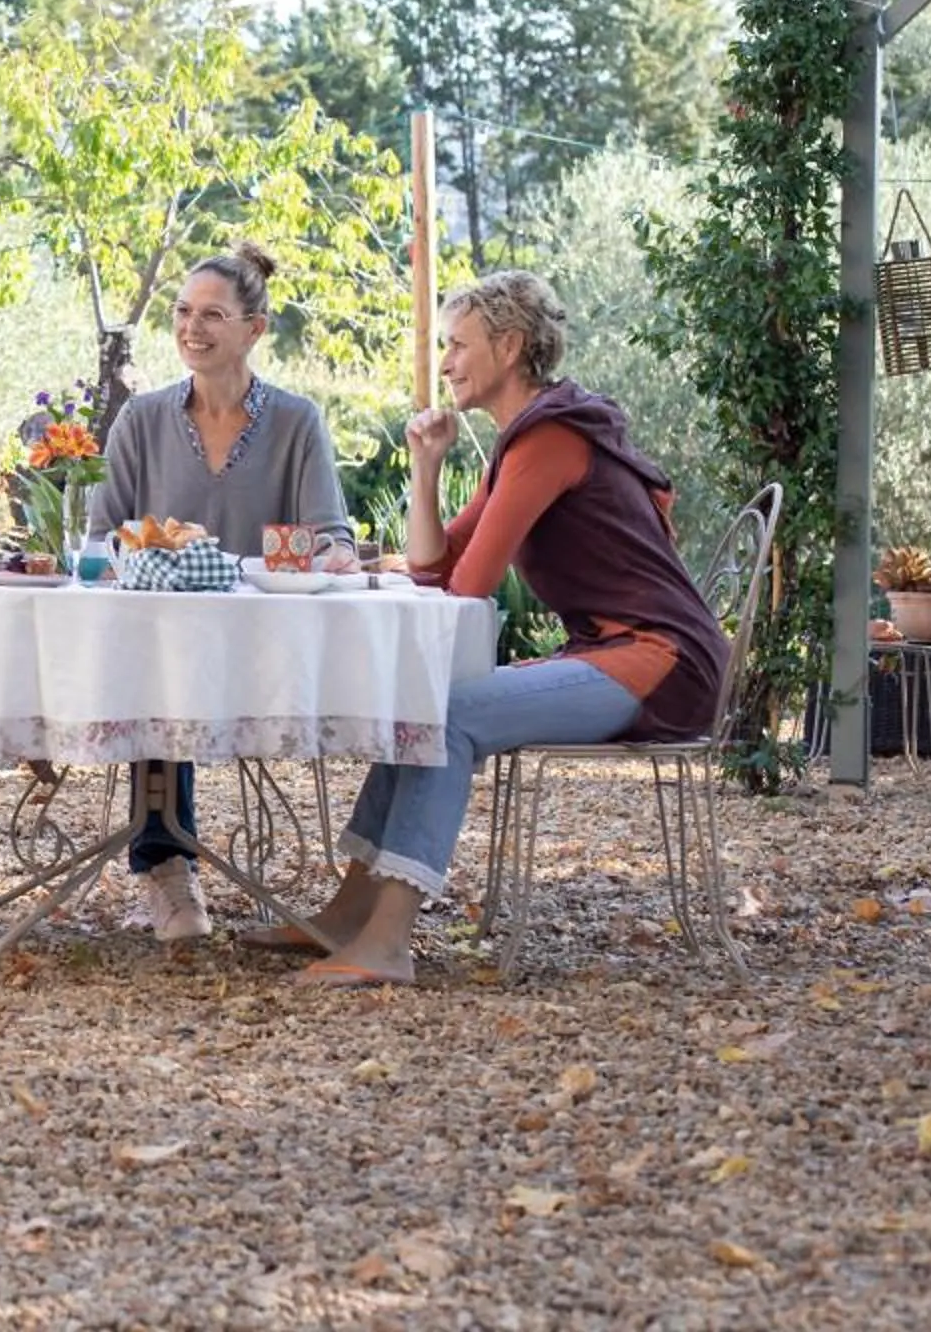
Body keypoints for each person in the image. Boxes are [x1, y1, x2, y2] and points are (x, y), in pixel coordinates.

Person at [261, 270, 728, 987]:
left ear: (509, 346)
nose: (445, 362)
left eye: (457, 345)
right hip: (616, 651)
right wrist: (425, 467)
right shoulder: (525, 439)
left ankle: (386, 941)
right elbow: (434, 568)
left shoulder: (549, 440)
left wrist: (438, 545)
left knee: (444, 716)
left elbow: (468, 584)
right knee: (422, 702)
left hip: (658, 660)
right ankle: (348, 914)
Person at [82, 243, 348, 940]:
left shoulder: (297, 422)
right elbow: (102, 536)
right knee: (158, 669)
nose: (190, 329)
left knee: (167, 668)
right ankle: (167, 870)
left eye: (211, 315)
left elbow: (333, 536)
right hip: (157, 642)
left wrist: (333, 555)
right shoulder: (140, 418)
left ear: (254, 330)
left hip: (264, 644)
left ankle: (357, 889)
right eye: (182, 313)